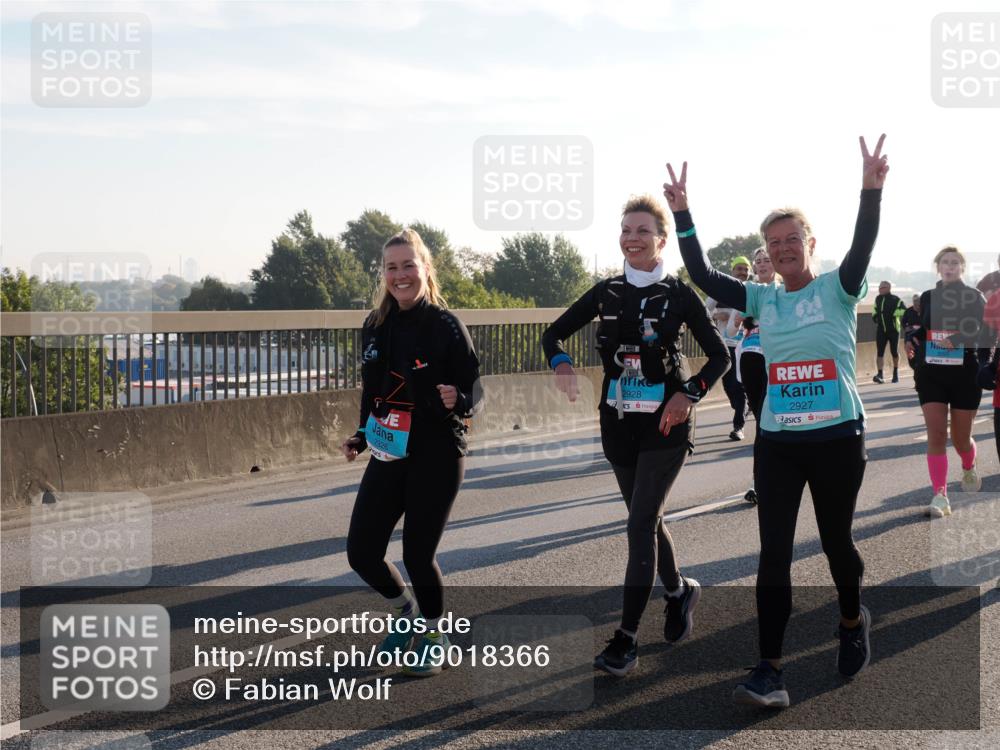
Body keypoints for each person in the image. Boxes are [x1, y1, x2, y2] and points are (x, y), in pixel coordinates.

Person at [666, 133, 889, 708]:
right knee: (774, 551)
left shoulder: (839, 289)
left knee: (837, 542)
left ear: (810, 243)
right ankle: (768, 668)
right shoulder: (763, 299)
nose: (784, 248)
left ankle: (849, 620)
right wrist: (682, 214)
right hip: (780, 443)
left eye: (793, 239)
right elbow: (703, 275)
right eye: (774, 242)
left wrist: (870, 190)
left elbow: (863, 246)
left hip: (838, 437)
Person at [542, 194, 730, 677]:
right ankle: (679, 590)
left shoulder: (679, 293)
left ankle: (626, 639)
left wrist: (688, 393)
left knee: (640, 523)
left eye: (643, 230)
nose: (632, 238)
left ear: (661, 240)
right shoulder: (604, 292)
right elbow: (552, 334)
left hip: (667, 422)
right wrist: (561, 364)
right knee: (645, 518)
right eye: (626, 229)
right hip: (618, 421)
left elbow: (719, 357)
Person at [342, 228, 481, 677]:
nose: (400, 275)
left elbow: (476, 390)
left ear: (425, 269)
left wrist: (456, 400)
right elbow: (373, 391)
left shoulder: (444, 325)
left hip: (439, 451)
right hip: (389, 449)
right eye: (391, 268)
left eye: (408, 266)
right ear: (383, 275)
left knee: (419, 555)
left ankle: (434, 634)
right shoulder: (374, 325)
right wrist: (362, 434)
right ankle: (407, 612)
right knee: (362, 552)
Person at [905, 246, 989, 518]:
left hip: (965, 373)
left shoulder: (974, 296)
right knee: (937, 434)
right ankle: (940, 495)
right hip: (932, 373)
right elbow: (926, 328)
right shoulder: (929, 297)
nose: (950, 266)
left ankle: (968, 463)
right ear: (938, 267)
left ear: (962, 267)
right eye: (945, 262)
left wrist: (951, 340)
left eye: (955, 263)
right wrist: (914, 337)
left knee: (960, 438)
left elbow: (978, 329)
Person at [731, 247, 777, 504]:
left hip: (778, 360)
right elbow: (732, 328)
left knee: (778, 418)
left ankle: (781, 473)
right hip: (751, 358)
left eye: (766, 260)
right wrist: (740, 319)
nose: (761, 265)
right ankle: (758, 482)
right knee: (762, 421)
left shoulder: (784, 290)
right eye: (757, 261)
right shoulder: (749, 292)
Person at [707, 257, 752, 440]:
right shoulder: (720, 291)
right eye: (739, 269)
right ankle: (743, 406)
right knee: (729, 387)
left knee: (737, 386)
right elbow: (703, 312)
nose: (742, 272)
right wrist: (719, 314)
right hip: (723, 347)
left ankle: (738, 427)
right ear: (732, 271)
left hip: (744, 346)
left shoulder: (751, 292)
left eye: (746, 269)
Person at [871, 280, 906, 384]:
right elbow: (874, 309)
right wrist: (875, 317)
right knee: (879, 352)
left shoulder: (896, 299)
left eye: (883, 288)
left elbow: (904, 310)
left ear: (889, 288)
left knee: (894, 352)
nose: (880, 289)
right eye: (879, 288)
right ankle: (880, 374)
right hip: (881, 330)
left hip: (894, 330)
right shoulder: (878, 298)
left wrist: (894, 313)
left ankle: (895, 373)